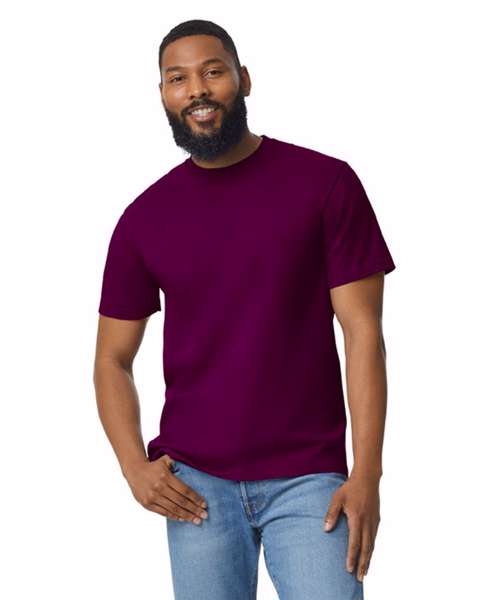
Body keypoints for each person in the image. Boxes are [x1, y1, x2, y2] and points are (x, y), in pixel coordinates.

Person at [93, 18, 396, 600]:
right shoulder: (144, 218)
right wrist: (134, 466)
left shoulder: (325, 184)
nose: (197, 90)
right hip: (195, 486)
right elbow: (111, 359)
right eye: (178, 79)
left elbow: (363, 333)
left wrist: (368, 474)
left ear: (244, 79)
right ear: (163, 95)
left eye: (213, 72)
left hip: (310, 479)